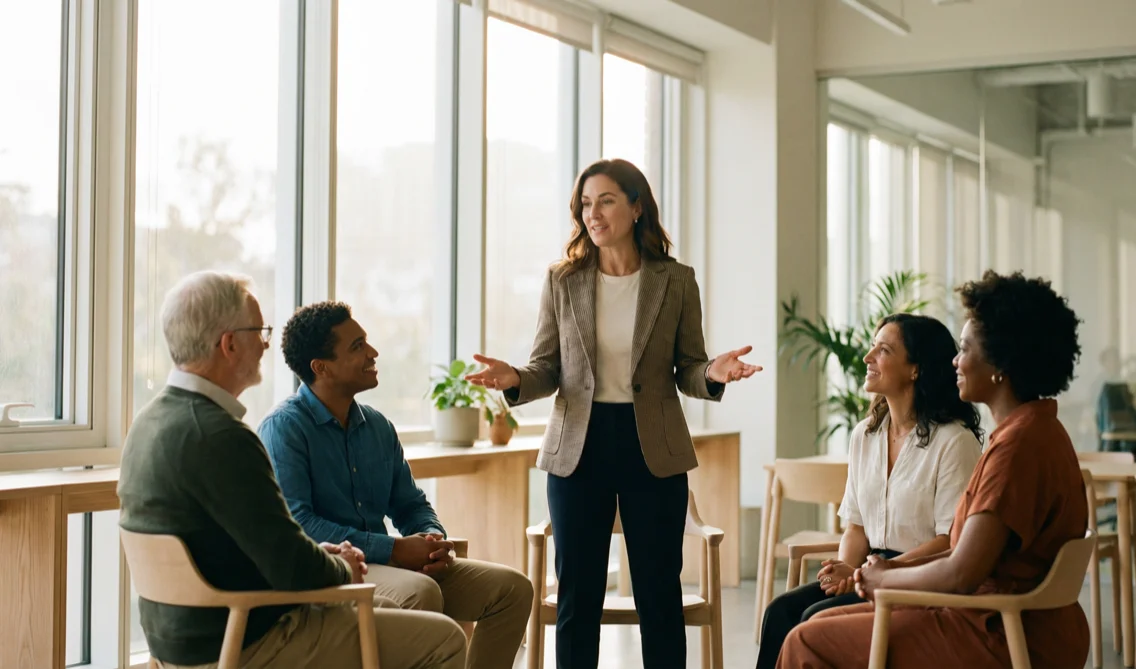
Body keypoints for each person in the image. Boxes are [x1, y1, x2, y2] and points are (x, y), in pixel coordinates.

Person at [463, 158, 762, 669]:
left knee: (658, 594)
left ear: (636, 205)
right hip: (580, 446)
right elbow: (546, 367)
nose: (593, 213)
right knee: (579, 596)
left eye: (605, 200)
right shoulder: (564, 281)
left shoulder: (675, 280)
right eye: (585, 203)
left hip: (654, 447)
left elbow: (687, 368)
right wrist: (515, 379)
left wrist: (714, 372)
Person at [118, 271, 466, 669]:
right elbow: (292, 568)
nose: (266, 344)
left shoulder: (151, 422)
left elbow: (256, 546)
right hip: (245, 637)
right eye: (259, 331)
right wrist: (341, 565)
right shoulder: (223, 436)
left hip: (181, 642)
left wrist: (322, 555)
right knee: (445, 640)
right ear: (230, 344)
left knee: (392, 605)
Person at [778, 270, 1089, 669]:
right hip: (1003, 618)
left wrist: (884, 578)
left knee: (808, 640)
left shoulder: (1017, 448)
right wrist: (880, 570)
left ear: (1000, 362)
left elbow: (961, 571)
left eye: (965, 349)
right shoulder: (1035, 430)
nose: (955, 362)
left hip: (998, 632)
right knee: (814, 621)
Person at [258, 301, 534, 669]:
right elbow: (299, 524)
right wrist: (394, 550)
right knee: (420, 592)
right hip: (332, 572)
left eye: (367, 342)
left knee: (513, 590)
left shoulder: (377, 426)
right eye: (357, 346)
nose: (373, 353)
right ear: (320, 367)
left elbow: (410, 505)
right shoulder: (284, 429)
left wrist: (431, 537)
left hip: (389, 565)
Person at [756, 313, 983, 669]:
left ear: (915, 370)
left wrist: (877, 571)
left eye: (884, 350)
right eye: (873, 347)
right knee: (779, 612)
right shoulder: (865, 435)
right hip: (870, 570)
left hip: (919, 577)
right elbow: (856, 528)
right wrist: (848, 567)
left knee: (812, 618)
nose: (868, 357)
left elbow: (949, 541)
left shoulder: (954, 441)